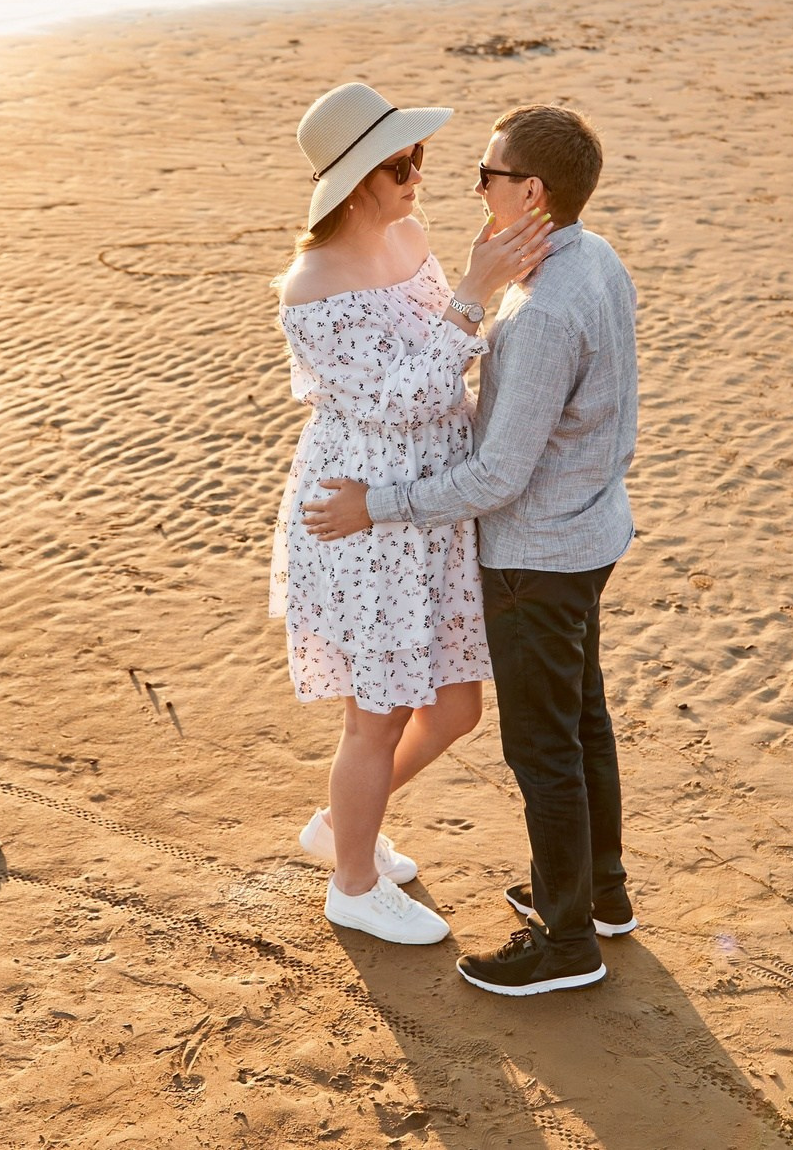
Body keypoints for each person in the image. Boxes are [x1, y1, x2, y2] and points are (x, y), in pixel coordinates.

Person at [303, 104, 637, 996]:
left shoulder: (535, 314)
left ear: (531, 191)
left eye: (480, 174)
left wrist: (382, 504)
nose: (456, 184)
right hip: (590, 527)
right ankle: (598, 897)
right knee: (581, 723)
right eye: (408, 162)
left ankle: (569, 940)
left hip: (535, 551)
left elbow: (493, 477)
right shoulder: (594, 257)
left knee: (545, 749)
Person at [271, 82, 553, 945]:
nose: (418, 174)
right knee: (378, 712)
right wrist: (475, 285)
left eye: (420, 157)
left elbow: (450, 361)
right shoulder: (309, 287)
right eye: (400, 164)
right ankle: (351, 881)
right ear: (354, 179)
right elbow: (406, 395)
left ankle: (340, 824)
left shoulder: (414, 236)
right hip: (363, 517)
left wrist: (500, 278)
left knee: (458, 704)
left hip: (428, 505)